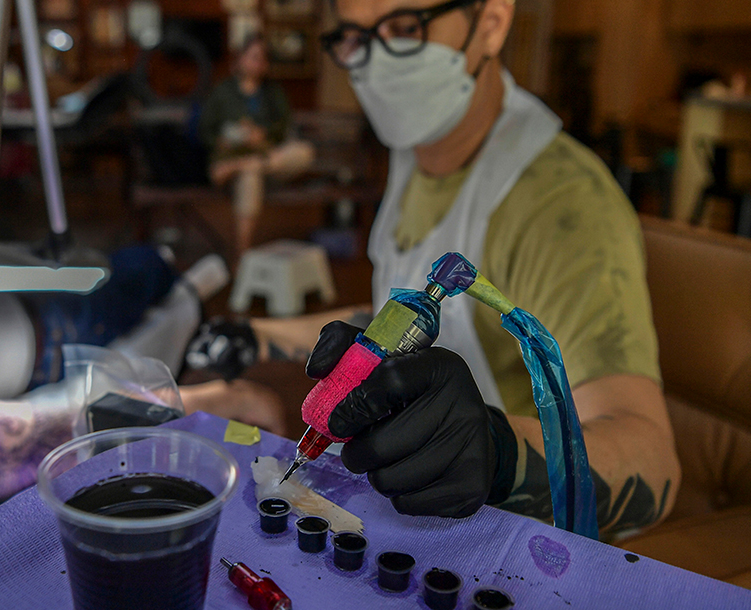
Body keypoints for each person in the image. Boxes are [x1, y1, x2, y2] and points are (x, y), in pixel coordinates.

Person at [246, 0, 680, 534]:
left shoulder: (564, 205)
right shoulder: (418, 155)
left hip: (520, 546)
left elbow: (653, 460)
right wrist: (254, 335)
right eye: (354, 37)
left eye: (405, 28)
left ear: (492, 23)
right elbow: (394, 315)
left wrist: (499, 454)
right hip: (409, 516)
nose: (377, 62)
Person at [0, 240, 286, 504]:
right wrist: (216, 400)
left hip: (13, 321)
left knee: (143, 269)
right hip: (42, 337)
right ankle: (175, 270)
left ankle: (174, 269)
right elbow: (13, 440)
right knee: (142, 269)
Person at [198, 34, 315, 256]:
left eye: (262, 59)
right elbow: (205, 130)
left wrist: (262, 134)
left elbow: (283, 127)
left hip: (268, 159)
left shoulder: (272, 92)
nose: (258, 63)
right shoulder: (223, 91)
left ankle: (246, 164)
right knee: (249, 178)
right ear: (240, 58)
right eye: (253, 57)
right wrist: (223, 140)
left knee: (305, 152)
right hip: (232, 157)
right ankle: (241, 254)